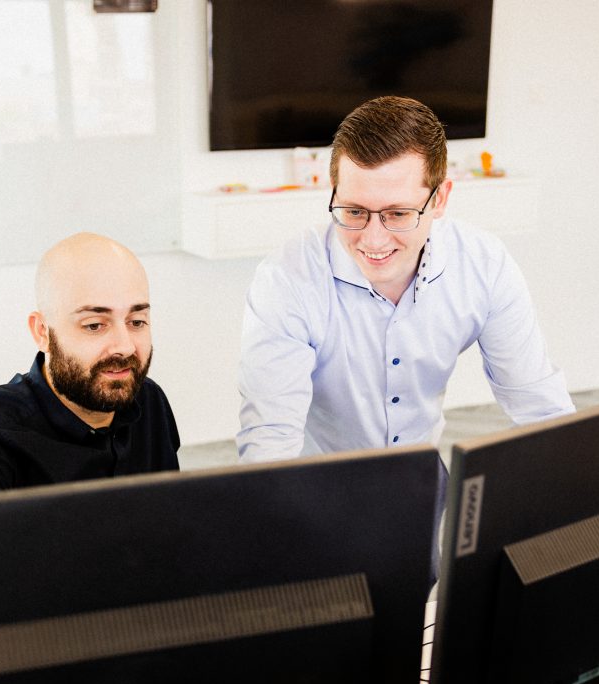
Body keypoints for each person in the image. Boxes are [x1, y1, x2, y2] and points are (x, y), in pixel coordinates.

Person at [237, 96, 575, 464]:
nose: (373, 240)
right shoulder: (287, 278)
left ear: (440, 199)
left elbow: (539, 406)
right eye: (354, 211)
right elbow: (270, 438)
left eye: (398, 214)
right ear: (333, 189)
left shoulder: (483, 265)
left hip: (421, 476)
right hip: (312, 482)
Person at [0, 232, 180, 496]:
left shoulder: (149, 400)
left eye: (137, 322)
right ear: (42, 333)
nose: (125, 347)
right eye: (94, 325)